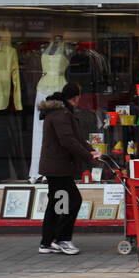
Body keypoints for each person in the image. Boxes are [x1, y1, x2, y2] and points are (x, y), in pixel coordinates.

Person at [37, 82, 101, 255]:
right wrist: (88, 156)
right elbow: (68, 141)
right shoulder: (62, 114)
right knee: (72, 201)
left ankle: (48, 242)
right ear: (76, 97)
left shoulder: (60, 113)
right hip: (58, 167)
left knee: (59, 203)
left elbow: (77, 139)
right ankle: (62, 239)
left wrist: (91, 151)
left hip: (56, 166)